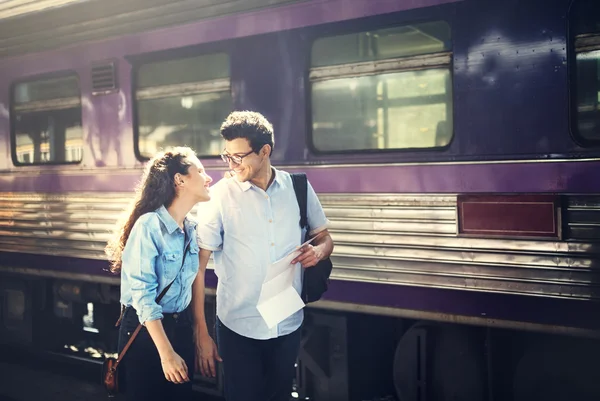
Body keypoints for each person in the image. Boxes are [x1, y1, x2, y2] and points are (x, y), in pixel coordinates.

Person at [193, 111, 334, 401]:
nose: (231, 164)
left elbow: (325, 238)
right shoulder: (219, 196)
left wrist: (319, 251)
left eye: (239, 157)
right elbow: (197, 268)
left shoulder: (298, 188)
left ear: (265, 151)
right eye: (227, 156)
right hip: (237, 324)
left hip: (286, 319)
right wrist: (202, 333)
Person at [105, 146, 213, 401]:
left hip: (180, 327)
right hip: (146, 332)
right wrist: (166, 353)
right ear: (180, 180)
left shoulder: (191, 229)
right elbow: (143, 296)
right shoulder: (149, 226)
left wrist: (200, 332)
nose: (208, 177)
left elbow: (196, 276)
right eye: (201, 170)